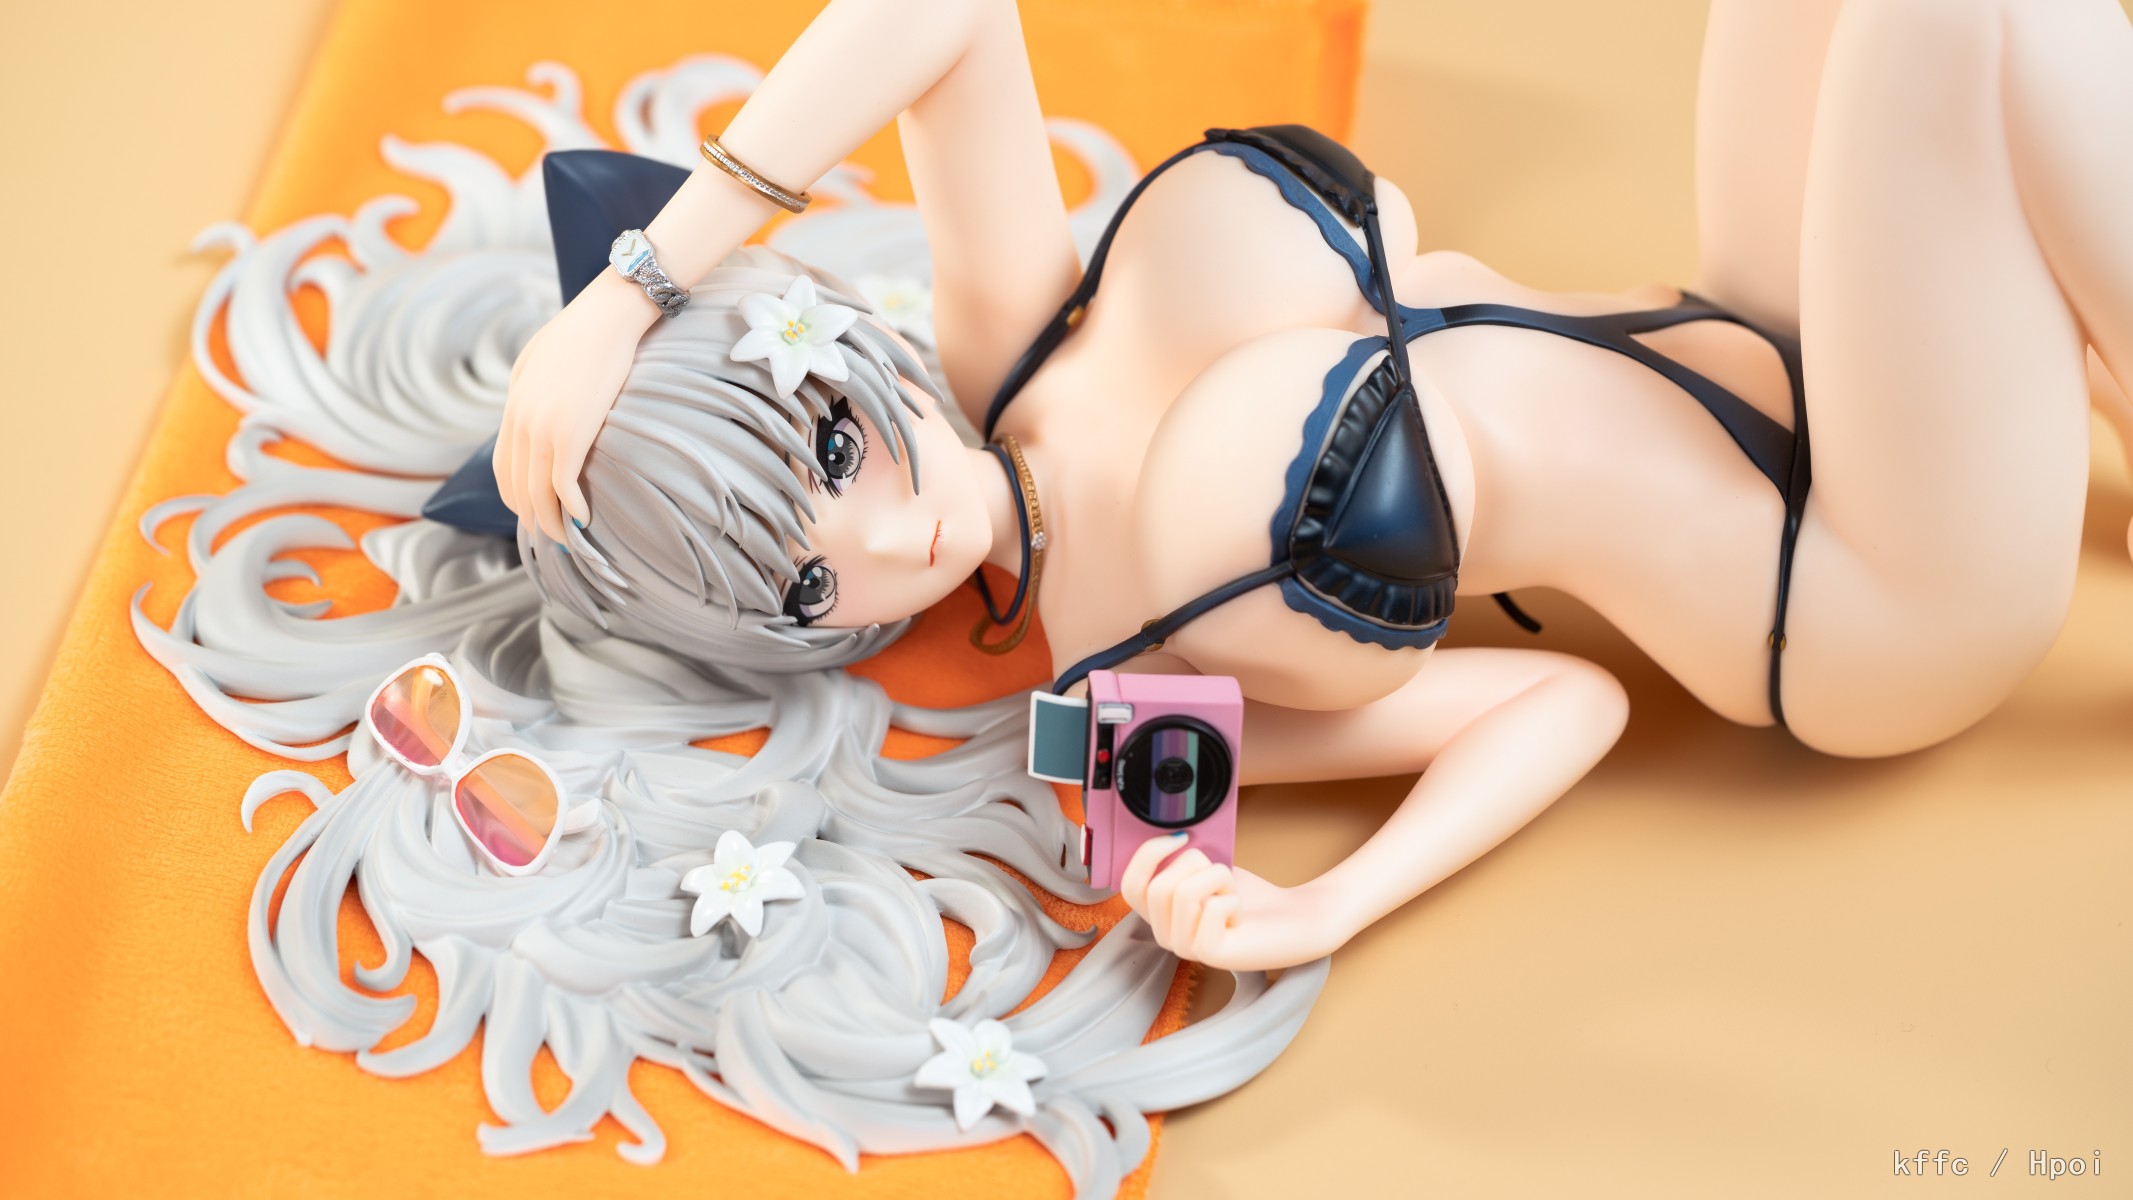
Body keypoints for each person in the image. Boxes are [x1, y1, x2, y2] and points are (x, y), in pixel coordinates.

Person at [492, 0, 2133, 972]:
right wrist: (1326, 906)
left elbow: (945, 14)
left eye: (832, 448)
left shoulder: (1013, 330)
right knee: (1978, 14)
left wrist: (638, 288)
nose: (887, 532)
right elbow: (1560, 701)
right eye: (804, 582)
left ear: (833, 349)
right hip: (1844, 595)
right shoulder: (1109, 706)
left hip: (1762, 324)